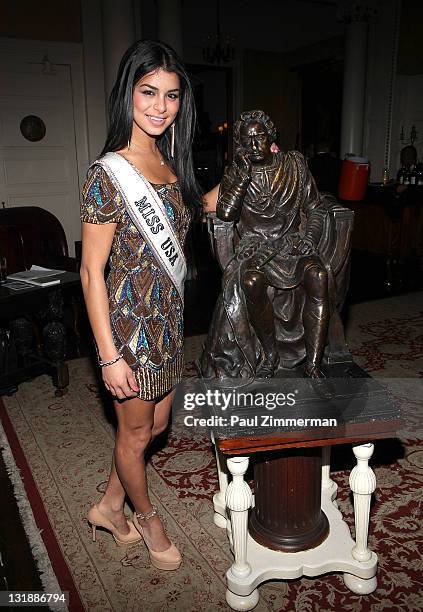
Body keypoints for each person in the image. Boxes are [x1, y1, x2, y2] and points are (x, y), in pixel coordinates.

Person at [80, 39, 201, 570]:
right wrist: (109, 356)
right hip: (129, 332)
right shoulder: (108, 173)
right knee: (135, 433)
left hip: (169, 324)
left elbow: (190, 214)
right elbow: (91, 273)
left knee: (152, 428)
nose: (160, 106)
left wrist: (250, 174)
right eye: (149, 91)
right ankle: (147, 520)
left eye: (172, 96)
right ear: (127, 93)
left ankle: (108, 504)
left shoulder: (170, 161)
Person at [201, 109, 331, 380]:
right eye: (246, 141)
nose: (253, 145)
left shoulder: (294, 165)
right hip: (257, 248)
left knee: (318, 276)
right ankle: (269, 356)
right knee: (250, 281)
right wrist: (242, 177)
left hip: (293, 244)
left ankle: (314, 363)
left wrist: (309, 238)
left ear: (270, 136)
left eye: (259, 137)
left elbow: (315, 208)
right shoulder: (235, 173)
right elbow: (225, 213)